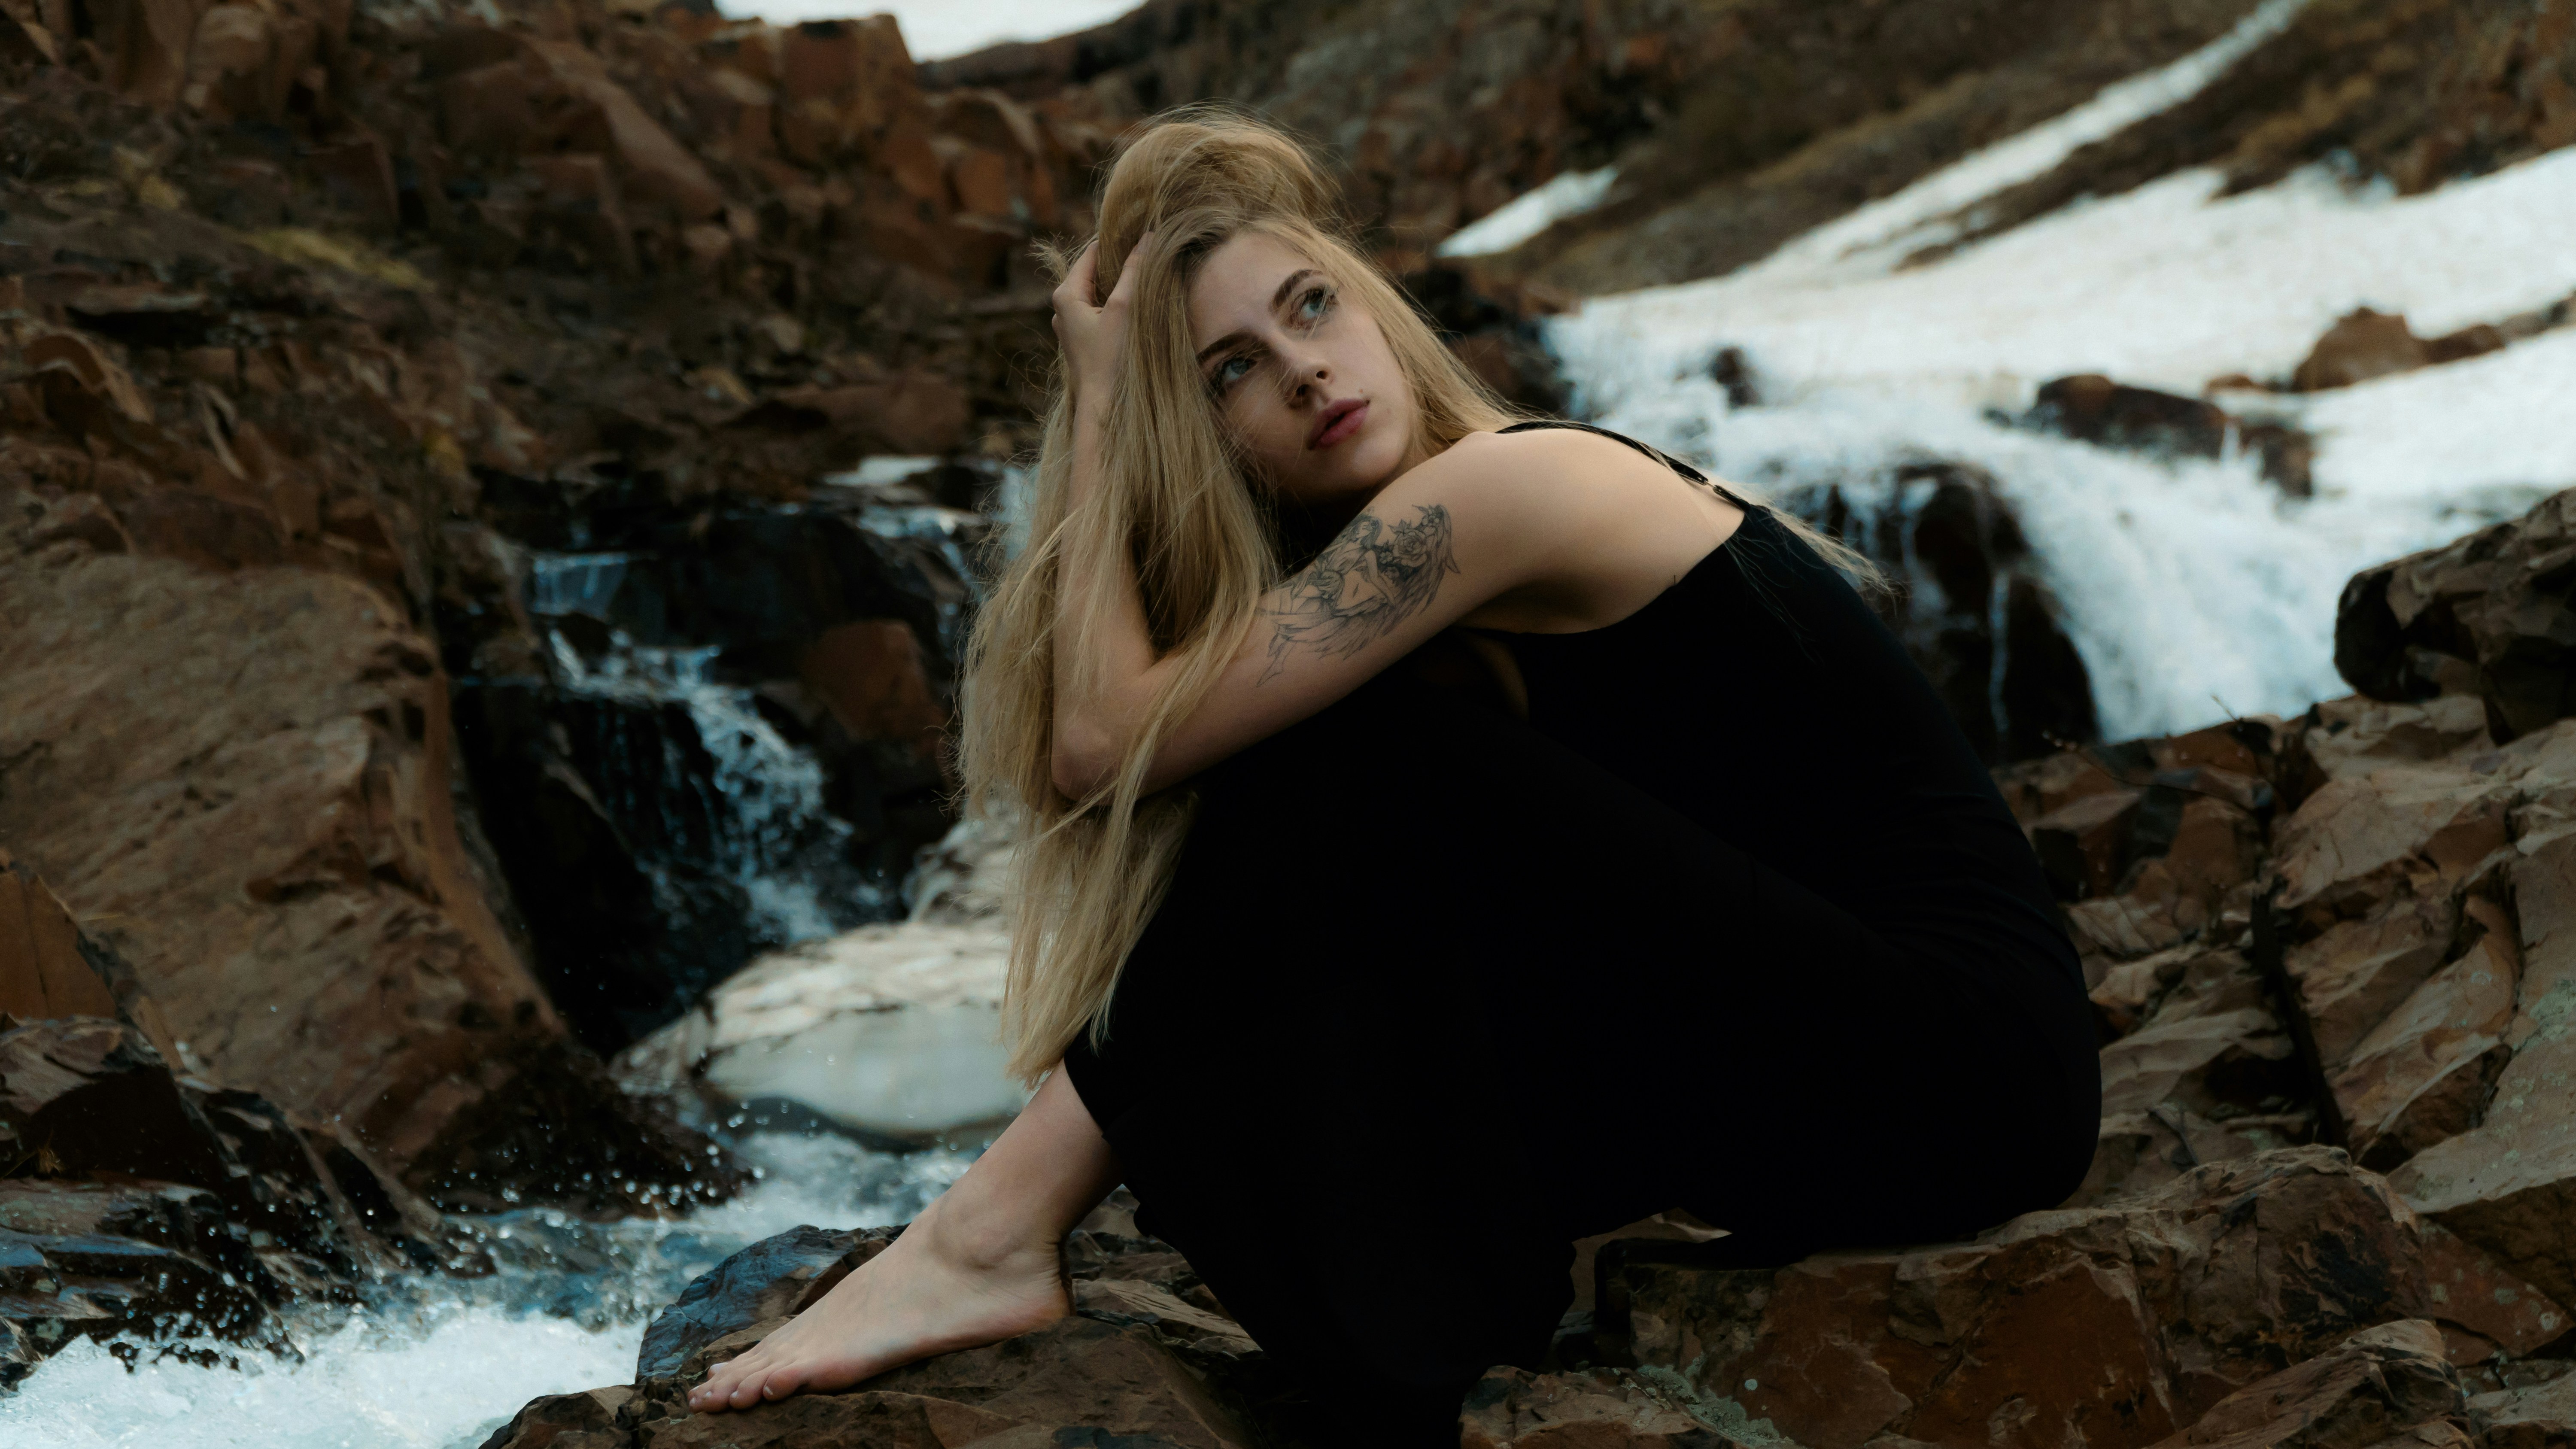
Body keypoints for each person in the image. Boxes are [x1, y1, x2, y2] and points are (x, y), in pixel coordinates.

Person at [687, 108, 2100, 1438]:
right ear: (1216, 448)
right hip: (1859, 1078)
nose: (1301, 369)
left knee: (1372, 750)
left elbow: (1098, 745)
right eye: (1227, 370)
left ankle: (988, 1231)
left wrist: (1109, 386)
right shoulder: (1434, 574)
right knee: (1355, 798)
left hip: (1962, 1068)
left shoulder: (1506, 487)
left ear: (1373, 306)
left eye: (1310, 306)